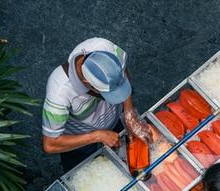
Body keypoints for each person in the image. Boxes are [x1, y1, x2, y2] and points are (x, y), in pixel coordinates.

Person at [41, 38, 151, 172]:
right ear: (86, 83)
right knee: (83, 173)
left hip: (115, 119)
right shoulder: (59, 93)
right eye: (107, 94)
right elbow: (50, 144)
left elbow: (122, 71)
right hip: (80, 137)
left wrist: (128, 111)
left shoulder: (105, 47)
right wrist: (97, 136)